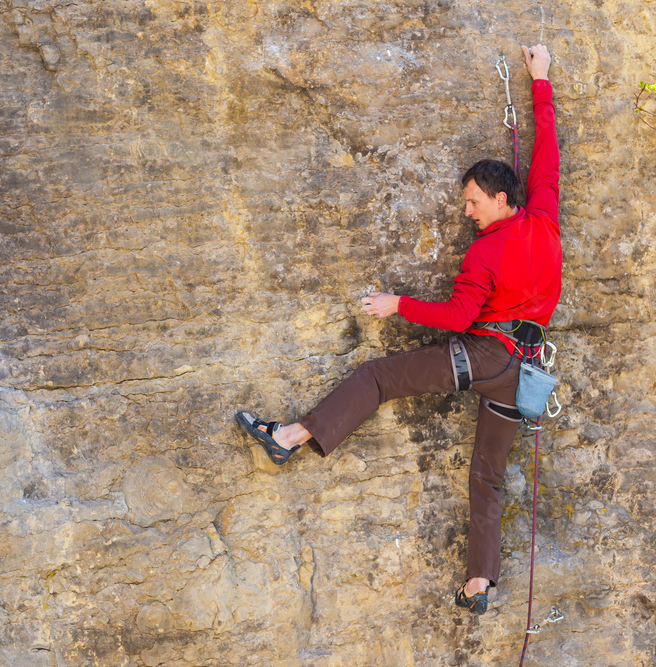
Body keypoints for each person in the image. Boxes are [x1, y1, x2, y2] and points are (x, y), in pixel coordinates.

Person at [235, 44, 560, 616]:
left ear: (502, 198)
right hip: (525, 374)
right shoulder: (546, 215)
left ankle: (287, 437)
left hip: (486, 354)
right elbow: (548, 150)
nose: (467, 212)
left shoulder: (484, 255)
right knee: (487, 478)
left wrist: (398, 304)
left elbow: (459, 319)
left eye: (473, 202)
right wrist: (540, 78)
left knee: (377, 378)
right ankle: (478, 584)